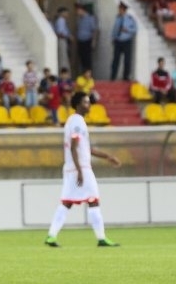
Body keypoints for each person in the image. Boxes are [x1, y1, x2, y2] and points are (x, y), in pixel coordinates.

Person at [45, 92, 122, 248]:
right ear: (79, 104)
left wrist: (107, 156)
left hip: (72, 168)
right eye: (86, 102)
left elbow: (86, 148)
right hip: (80, 168)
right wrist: (80, 170)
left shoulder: (74, 121)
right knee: (93, 200)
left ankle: (51, 236)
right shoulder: (77, 121)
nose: (89, 105)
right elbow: (74, 147)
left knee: (67, 202)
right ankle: (101, 238)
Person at [110, 1, 137, 80]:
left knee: (127, 60)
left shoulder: (130, 18)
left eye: (120, 9)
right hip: (118, 41)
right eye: (119, 9)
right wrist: (113, 37)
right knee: (115, 60)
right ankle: (113, 77)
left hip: (126, 41)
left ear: (124, 10)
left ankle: (125, 77)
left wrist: (127, 30)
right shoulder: (117, 18)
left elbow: (135, 29)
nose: (119, 10)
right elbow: (115, 29)